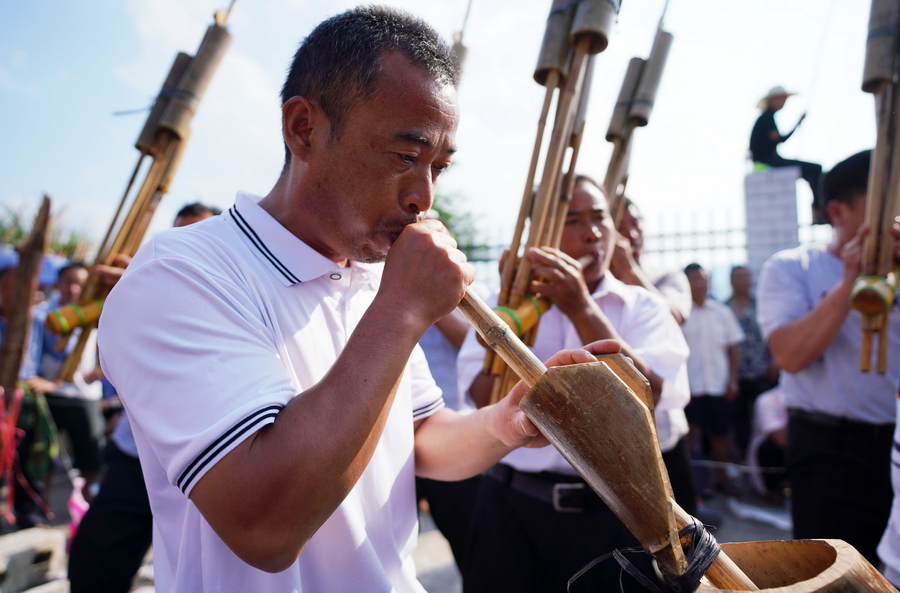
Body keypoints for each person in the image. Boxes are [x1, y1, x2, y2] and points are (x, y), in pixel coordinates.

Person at [97, 8, 613, 592]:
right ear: (303, 129)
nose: (423, 197)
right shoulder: (181, 276)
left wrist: (510, 422)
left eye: (439, 167)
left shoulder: (370, 279)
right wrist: (402, 312)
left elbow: (419, 439)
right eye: (405, 157)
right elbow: (265, 526)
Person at [457, 175, 693, 592]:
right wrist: (514, 317)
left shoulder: (643, 306)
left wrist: (581, 307)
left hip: (619, 514)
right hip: (512, 505)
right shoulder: (505, 305)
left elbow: (652, 396)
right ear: (540, 235)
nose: (593, 233)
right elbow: (481, 397)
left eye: (600, 218)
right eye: (573, 221)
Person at [68, 203, 220, 593]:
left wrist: (153, 294)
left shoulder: (231, 290)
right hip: (136, 455)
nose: (183, 245)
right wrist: (126, 301)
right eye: (177, 234)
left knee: (203, 575)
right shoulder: (147, 278)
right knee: (94, 563)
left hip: (212, 463)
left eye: (197, 236)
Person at [758, 149, 900, 566]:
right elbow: (789, 355)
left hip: (894, 444)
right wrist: (850, 281)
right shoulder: (793, 267)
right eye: (886, 204)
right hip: (831, 451)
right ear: (838, 212)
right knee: (832, 574)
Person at [29, 262, 105, 501]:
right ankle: (40, 504)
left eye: (80, 284)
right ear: (57, 284)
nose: (74, 289)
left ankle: (85, 503)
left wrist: (102, 369)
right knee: (42, 455)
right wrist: (47, 382)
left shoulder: (100, 314)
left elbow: (114, 352)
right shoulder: (40, 315)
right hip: (47, 396)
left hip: (84, 396)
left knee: (90, 457)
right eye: (69, 282)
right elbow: (31, 357)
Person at [681, 263, 744, 496]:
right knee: (688, 434)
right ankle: (690, 485)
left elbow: (733, 348)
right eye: (694, 279)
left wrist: (733, 380)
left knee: (720, 434)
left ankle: (722, 478)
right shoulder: (679, 314)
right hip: (690, 386)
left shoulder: (721, 312)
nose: (700, 284)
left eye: (703, 279)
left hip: (718, 384)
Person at [611, 197, 692, 325]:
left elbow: (672, 320)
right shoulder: (594, 281)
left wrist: (628, 271)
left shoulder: (667, 277)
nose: (632, 235)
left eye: (636, 225)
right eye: (620, 228)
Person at [749, 85, 824, 223]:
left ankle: (817, 211)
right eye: (781, 99)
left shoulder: (768, 117)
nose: (783, 102)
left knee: (812, 172)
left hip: (770, 160)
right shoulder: (767, 117)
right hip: (767, 163)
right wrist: (798, 122)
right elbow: (780, 140)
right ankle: (818, 211)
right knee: (815, 169)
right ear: (772, 100)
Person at [726, 265, 778, 458]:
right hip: (734, 376)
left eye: (745, 276)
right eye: (738, 276)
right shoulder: (724, 307)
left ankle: (762, 458)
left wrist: (774, 362)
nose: (742, 280)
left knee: (763, 416)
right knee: (738, 420)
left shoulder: (761, 305)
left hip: (761, 371)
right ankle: (743, 458)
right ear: (731, 281)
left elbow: (773, 333)